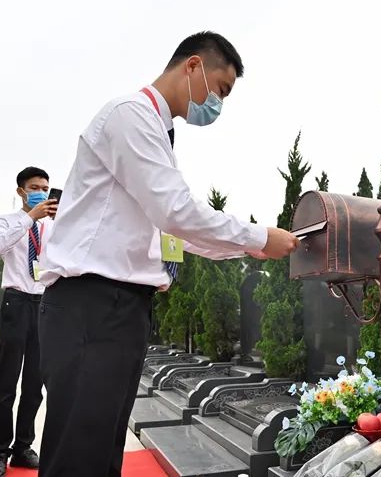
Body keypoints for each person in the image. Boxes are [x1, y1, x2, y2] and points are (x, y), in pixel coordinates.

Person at [37, 31, 299, 477]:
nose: (217, 104)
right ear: (193, 66)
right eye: (220, 90)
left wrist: (249, 248)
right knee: (79, 454)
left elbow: (171, 229)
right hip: (92, 305)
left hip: (118, 308)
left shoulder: (157, 131)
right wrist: (257, 237)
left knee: (100, 452)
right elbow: (175, 211)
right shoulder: (131, 115)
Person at [0, 167, 58, 477]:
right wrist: (30, 218)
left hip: (44, 304)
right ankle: (0, 452)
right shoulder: (5, 221)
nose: (41, 192)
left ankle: (23, 447)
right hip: (15, 302)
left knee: (34, 384)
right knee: (8, 381)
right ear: (21, 191)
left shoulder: (53, 226)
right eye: (35, 187)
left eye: (45, 188)